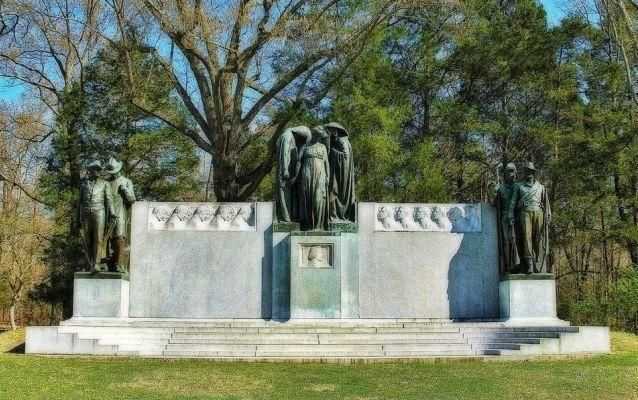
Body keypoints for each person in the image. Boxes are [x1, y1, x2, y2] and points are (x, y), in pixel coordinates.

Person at [510, 162, 551, 274]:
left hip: (539, 213)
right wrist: (513, 212)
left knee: (538, 238)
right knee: (527, 239)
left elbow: (546, 204)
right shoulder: (519, 186)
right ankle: (529, 264)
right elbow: (513, 203)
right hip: (525, 213)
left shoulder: (541, 187)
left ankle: (538, 263)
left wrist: (548, 215)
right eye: (525, 171)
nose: (527, 173)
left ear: (533, 173)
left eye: (529, 171)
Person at [79, 160, 116, 272]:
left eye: (98, 169)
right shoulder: (84, 184)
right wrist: (77, 218)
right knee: (87, 239)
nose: (97, 171)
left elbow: (109, 200)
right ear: (90, 171)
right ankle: (89, 263)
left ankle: (96, 263)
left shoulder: (105, 184)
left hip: (99, 210)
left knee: (98, 238)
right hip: (85, 211)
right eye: (94, 169)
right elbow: (79, 203)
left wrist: (113, 213)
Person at [105, 158, 136, 273]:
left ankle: (119, 264)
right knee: (107, 241)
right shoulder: (106, 183)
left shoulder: (126, 181)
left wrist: (125, 190)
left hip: (120, 213)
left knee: (120, 238)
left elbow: (132, 199)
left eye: (115, 171)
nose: (114, 174)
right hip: (107, 214)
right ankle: (108, 263)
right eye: (112, 172)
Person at [275, 126, 311, 222]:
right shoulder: (287, 136)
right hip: (285, 172)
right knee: (284, 193)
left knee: (288, 194)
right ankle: (286, 217)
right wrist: (285, 169)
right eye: (303, 139)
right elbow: (284, 153)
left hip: (289, 171)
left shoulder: (291, 137)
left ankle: (289, 216)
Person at [298, 126, 330, 230]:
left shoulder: (323, 147)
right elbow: (298, 161)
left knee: (318, 199)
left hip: (320, 175)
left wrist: (327, 177)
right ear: (314, 135)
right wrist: (295, 176)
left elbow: (326, 163)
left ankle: (318, 225)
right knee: (308, 199)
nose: (319, 138)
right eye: (317, 135)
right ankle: (308, 225)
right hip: (307, 174)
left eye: (320, 136)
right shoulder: (305, 146)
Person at [325, 122, 356, 223]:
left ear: (336, 131)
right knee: (334, 192)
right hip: (339, 171)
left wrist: (332, 152)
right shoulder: (339, 141)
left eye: (331, 130)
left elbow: (345, 157)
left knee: (334, 191)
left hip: (342, 172)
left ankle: (336, 215)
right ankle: (335, 215)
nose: (330, 133)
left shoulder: (342, 141)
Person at [494, 163, 520, 274]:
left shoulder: (519, 187)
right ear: (505, 174)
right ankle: (509, 265)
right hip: (505, 218)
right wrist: (494, 192)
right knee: (507, 242)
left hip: (518, 218)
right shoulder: (501, 188)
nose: (511, 174)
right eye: (509, 171)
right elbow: (494, 203)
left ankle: (520, 265)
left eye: (512, 171)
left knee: (516, 241)